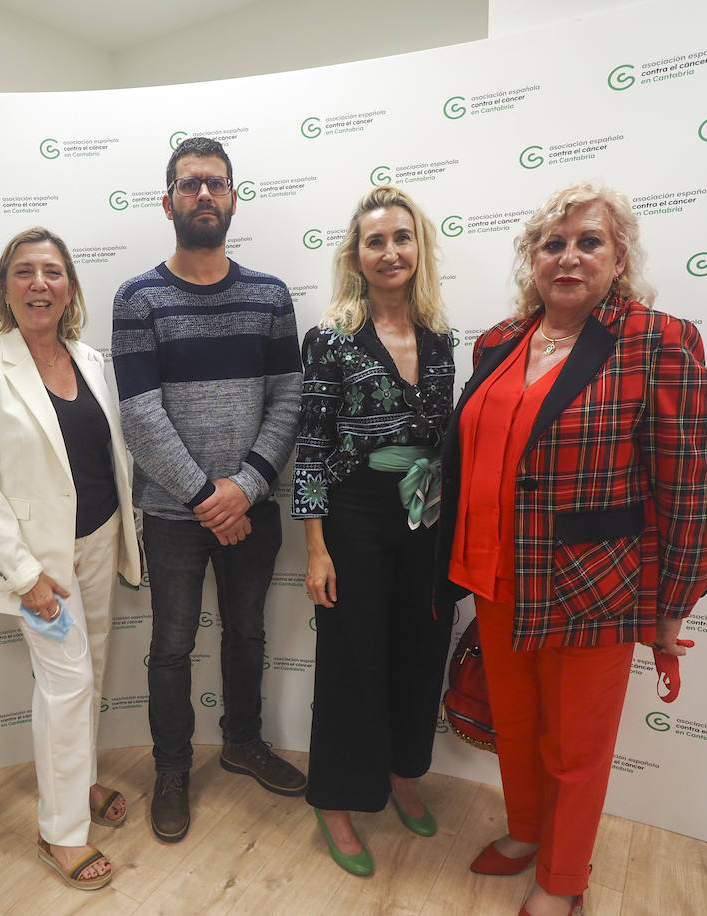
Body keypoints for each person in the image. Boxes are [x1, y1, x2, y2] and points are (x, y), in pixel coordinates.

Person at [438, 184, 707, 916]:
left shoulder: (659, 341)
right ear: (531, 259)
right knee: (520, 727)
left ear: (618, 256)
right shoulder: (498, 342)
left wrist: (672, 605)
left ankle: (564, 877)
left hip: (593, 586)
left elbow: (688, 487)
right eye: (552, 244)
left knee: (576, 747)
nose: (568, 257)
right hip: (495, 573)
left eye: (588, 242)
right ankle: (529, 833)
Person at [112, 136, 305, 843]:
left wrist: (245, 486)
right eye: (189, 185)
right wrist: (205, 496)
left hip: (251, 505)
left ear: (232, 199)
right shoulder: (138, 298)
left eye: (215, 185)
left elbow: (289, 397)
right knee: (169, 646)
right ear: (168, 202)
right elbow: (139, 412)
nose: (203, 196)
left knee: (248, 632)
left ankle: (242, 741)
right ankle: (171, 768)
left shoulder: (270, 296)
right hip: (173, 513)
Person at [0, 227, 142, 890]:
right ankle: (59, 833)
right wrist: (25, 576)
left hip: (99, 541)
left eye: (53, 272)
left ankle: (77, 782)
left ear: (70, 287)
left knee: (88, 675)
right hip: (40, 564)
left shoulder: (89, 359)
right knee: (66, 687)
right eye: (25, 272)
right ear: (5, 288)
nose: (40, 284)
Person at [292, 186, 456, 876]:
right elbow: (312, 447)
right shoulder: (330, 339)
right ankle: (337, 798)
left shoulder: (443, 339)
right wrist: (317, 548)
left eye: (401, 237)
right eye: (375, 241)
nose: (390, 252)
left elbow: (447, 442)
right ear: (356, 256)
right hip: (354, 521)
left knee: (420, 654)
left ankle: (402, 772)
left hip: (428, 523)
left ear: (419, 248)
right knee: (353, 662)